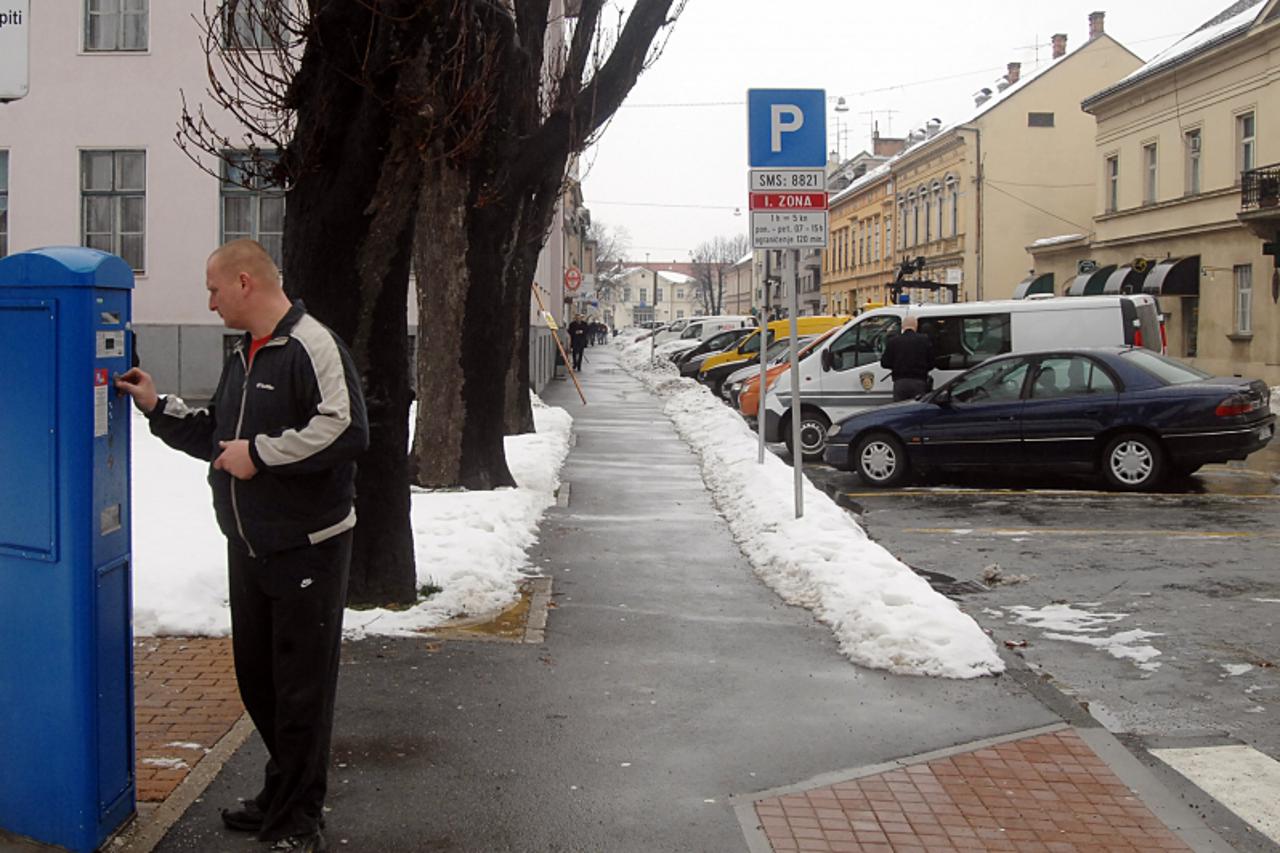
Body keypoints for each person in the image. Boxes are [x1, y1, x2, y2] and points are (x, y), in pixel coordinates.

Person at [115, 239, 369, 853]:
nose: (208, 303)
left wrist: (260, 454)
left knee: (302, 689)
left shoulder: (311, 345)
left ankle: (299, 819)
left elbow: (345, 430)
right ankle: (280, 792)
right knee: (260, 682)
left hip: (307, 546)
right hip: (250, 545)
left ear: (246, 282)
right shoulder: (245, 354)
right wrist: (156, 405)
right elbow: (218, 436)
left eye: (213, 289)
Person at [880, 314, 935, 401]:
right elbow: (932, 363)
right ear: (916, 326)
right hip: (919, 382)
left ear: (902, 326)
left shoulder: (893, 341)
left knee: (901, 410)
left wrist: (896, 366)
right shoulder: (924, 340)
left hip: (900, 383)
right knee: (917, 410)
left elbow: (884, 363)